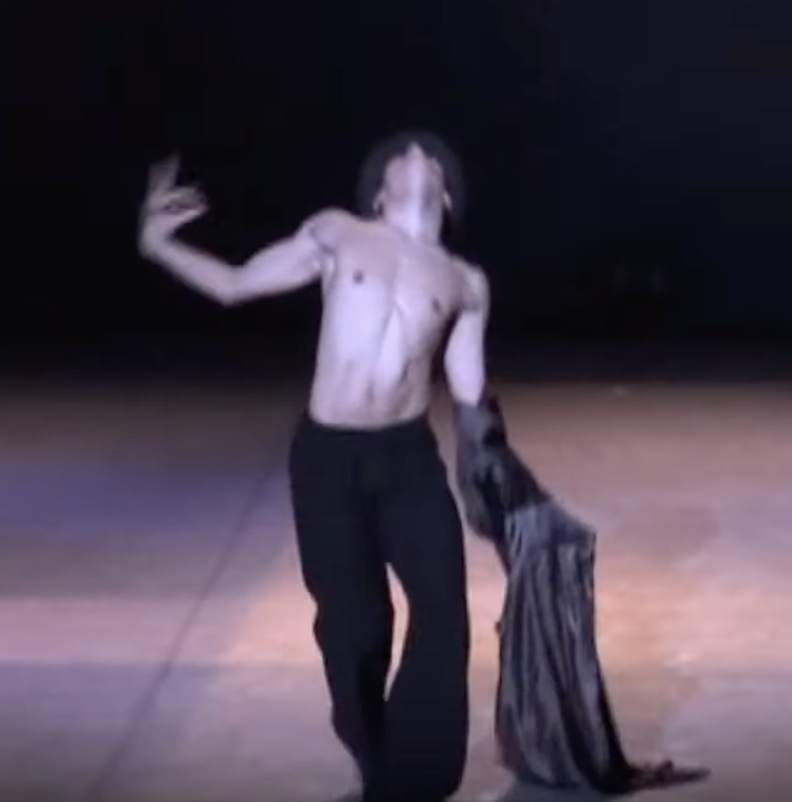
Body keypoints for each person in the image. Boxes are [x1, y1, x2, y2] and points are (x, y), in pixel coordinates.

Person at [138, 131, 490, 802]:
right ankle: (376, 761)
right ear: (379, 195)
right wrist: (160, 245)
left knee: (444, 608)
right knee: (354, 627)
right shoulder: (338, 232)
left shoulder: (465, 281)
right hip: (330, 459)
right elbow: (237, 284)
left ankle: (417, 784)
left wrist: (498, 471)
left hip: (409, 459)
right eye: (399, 156)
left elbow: (469, 387)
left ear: (445, 197)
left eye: (428, 156)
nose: (415, 151)